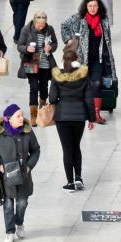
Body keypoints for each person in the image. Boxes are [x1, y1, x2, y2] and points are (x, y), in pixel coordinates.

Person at [0, 104, 40, 242]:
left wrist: (29, 166)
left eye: (22, 115)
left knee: (22, 203)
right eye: (18, 116)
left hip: (23, 176)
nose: (22, 118)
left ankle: (19, 223)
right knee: (8, 206)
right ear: (8, 119)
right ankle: (9, 232)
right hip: (6, 177)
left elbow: (36, 150)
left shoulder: (27, 131)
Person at [60, 0, 116, 125]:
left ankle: (96, 114)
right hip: (81, 59)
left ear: (99, 7)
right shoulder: (78, 19)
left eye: (95, 6)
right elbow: (64, 25)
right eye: (90, 6)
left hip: (98, 59)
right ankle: (80, 111)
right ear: (86, 7)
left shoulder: (104, 20)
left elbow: (107, 40)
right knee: (81, 85)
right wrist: (68, 39)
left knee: (97, 84)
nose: (92, 8)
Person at [49, 48, 97, 192]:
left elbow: (52, 98)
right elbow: (89, 99)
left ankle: (70, 182)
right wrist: (92, 119)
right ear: (77, 59)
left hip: (62, 117)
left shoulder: (57, 75)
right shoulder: (83, 75)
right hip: (79, 116)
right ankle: (79, 177)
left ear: (63, 59)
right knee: (76, 147)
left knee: (67, 149)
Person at [16, 11, 58, 126]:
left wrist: (51, 47)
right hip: (31, 63)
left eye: (42, 25)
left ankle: (42, 107)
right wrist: (27, 48)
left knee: (44, 87)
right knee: (33, 87)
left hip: (45, 63)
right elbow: (19, 45)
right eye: (38, 24)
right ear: (34, 22)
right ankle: (33, 115)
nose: (40, 26)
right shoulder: (26, 29)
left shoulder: (49, 29)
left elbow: (55, 43)